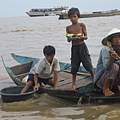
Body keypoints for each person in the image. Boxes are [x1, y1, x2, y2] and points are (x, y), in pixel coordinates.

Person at [66, 7, 94, 90]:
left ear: (78, 16)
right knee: (74, 66)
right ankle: (73, 83)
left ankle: (94, 78)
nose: (73, 18)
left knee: (87, 63)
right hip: (74, 48)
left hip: (82, 47)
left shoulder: (82, 25)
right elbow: (68, 40)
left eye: (74, 16)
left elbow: (86, 37)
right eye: (71, 17)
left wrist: (82, 37)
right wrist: (70, 38)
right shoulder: (68, 28)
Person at [94, 28, 120, 96]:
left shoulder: (118, 49)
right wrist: (111, 59)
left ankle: (117, 85)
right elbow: (106, 67)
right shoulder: (106, 49)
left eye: (119, 37)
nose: (118, 40)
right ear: (111, 40)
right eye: (115, 38)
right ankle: (105, 88)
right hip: (101, 80)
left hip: (113, 79)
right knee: (115, 66)